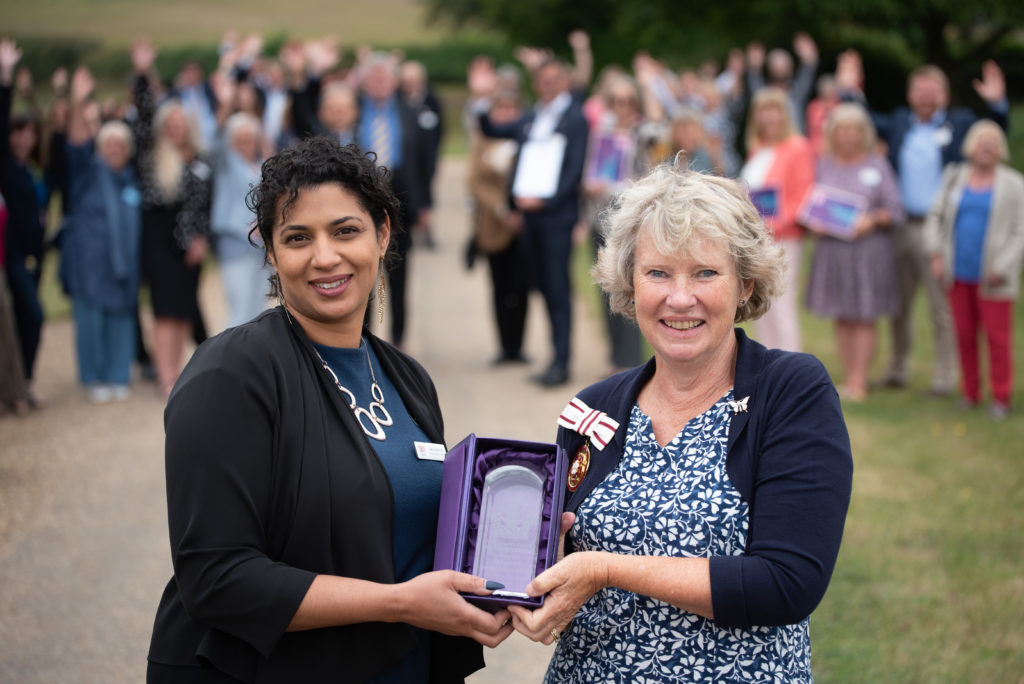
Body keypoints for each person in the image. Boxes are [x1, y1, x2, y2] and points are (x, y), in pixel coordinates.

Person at [147, 137, 512, 682]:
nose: (325, 256)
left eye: (345, 230)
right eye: (298, 238)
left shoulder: (405, 377)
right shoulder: (230, 373)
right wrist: (397, 604)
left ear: (383, 233)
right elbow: (216, 577)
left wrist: (519, 541)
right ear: (270, 251)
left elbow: (417, 535)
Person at [507, 166, 853, 682]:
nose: (680, 297)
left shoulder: (791, 390)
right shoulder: (591, 407)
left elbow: (787, 583)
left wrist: (605, 568)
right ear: (629, 283)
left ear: (745, 286)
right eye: (658, 273)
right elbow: (552, 560)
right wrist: (533, 576)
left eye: (705, 273)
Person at [838, 53, 1008, 394]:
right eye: (920, 91)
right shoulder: (901, 122)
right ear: (910, 95)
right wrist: (848, 91)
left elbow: (991, 136)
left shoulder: (958, 125)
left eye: (932, 92)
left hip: (941, 231)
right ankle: (897, 368)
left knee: (941, 307)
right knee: (897, 304)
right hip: (899, 227)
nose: (926, 97)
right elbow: (863, 120)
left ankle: (946, 376)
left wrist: (997, 105)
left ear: (943, 96)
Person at [471, 56, 589, 386]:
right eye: (542, 79)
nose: (547, 84)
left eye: (554, 79)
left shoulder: (574, 119)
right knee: (542, 288)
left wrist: (545, 201)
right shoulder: (532, 116)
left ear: (564, 82)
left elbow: (573, 171)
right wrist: (482, 97)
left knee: (557, 289)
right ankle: (554, 358)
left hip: (555, 217)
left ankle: (562, 363)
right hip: (529, 220)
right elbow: (492, 128)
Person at [925, 121, 1024, 421]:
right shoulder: (956, 177)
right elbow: (936, 216)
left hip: (994, 277)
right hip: (958, 273)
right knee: (964, 335)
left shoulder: (1013, 183)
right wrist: (936, 253)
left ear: (1000, 149)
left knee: (998, 338)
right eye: (982, 142)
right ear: (971, 145)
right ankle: (970, 392)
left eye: (993, 143)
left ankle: (1001, 396)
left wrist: (1003, 265)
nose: (987, 148)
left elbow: (1021, 231)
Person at [805, 103, 904, 401]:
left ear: (864, 134)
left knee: (864, 316)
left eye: (854, 131)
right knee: (842, 314)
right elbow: (809, 203)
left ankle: (859, 380)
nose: (848, 137)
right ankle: (848, 376)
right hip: (833, 253)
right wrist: (814, 222)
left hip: (867, 254)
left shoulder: (877, 166)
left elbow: (896, 210)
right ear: (833, 135)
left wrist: (872, 220)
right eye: (841, 131)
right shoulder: (824, 164)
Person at [131, 40, 213, 397]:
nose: (176, 126)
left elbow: (206, 204)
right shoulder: (152, 157)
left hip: (189, 244)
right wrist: (144, 73)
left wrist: (201, 239)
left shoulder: (201, 159)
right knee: (164, 311)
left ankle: (177, 373)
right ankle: (166, 378)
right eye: (171, 121)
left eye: (182, 121)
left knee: (182, 311)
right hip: (159, 239)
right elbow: (146, 112)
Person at [61, 66, 142, 402]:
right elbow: (77, 141)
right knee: (92, 319)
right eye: (108, 143)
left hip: (123, 265)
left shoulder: (132, 179)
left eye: (119, 143)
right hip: (90, 262)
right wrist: (78, 101)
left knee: (121, 318)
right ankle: (94, 376)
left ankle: (117, 373)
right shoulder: (89, 172)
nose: (114, 148)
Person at [740, 86, 815, 352]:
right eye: (763, 110)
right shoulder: (757, 148)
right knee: (761, 304)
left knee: (781, 303)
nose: (769, 117)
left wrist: (775, 224)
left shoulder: (797, 147)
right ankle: (766, 366)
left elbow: (803, 196)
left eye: (775, 110)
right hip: (757, 239)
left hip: (784, 238)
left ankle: (790, 369)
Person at [467, 88, 529, 365]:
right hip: (494, 225)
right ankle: (504, 346)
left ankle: (519, 346)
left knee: (522, 287)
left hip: (523, 226)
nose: (506, 114)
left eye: (511, 108)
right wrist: (502, 209)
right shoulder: (484, 141)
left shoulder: (525, 137)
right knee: (499, 286)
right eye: (500, 109)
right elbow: (476, 182)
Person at [0, 39, 46, 401]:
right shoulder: (5, 166)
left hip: (36, 253)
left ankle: (23, 382)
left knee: (26, 317)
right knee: (30, 314)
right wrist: (6, 78)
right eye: (20, 132)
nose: (25, 139)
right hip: (13, 253)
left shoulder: (33, 169)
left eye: (30, 134)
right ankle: (17, 385)